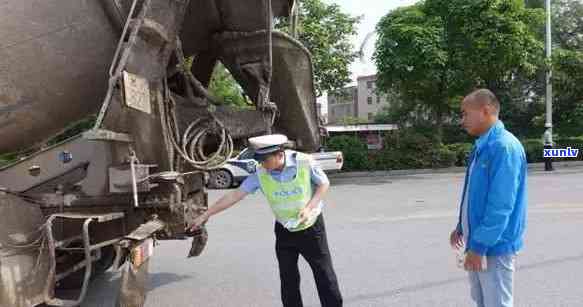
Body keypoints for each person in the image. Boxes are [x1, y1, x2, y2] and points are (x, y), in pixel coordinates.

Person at [187, 134, 343, 307]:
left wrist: (309, 207)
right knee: (288, 278)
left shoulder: (305, 162)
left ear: (279, 154)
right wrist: (205, 215)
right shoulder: (261, 173)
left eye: (265, 160)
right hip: (284, 230)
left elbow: (324, 183)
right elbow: (235, 195)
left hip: (311, 229)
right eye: (259, 160)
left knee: (324, 274)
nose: (262, 164)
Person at [449, 89, 528, 307]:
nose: (462, 120)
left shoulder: (504, 147)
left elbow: (500, 205)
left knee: (497, 303)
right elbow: (473, 194)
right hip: (479, 243)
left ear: (485, 111)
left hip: (494, 246)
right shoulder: (482, 146)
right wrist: (461, 226)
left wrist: (479, 247)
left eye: (465, 114)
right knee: (482, 301)